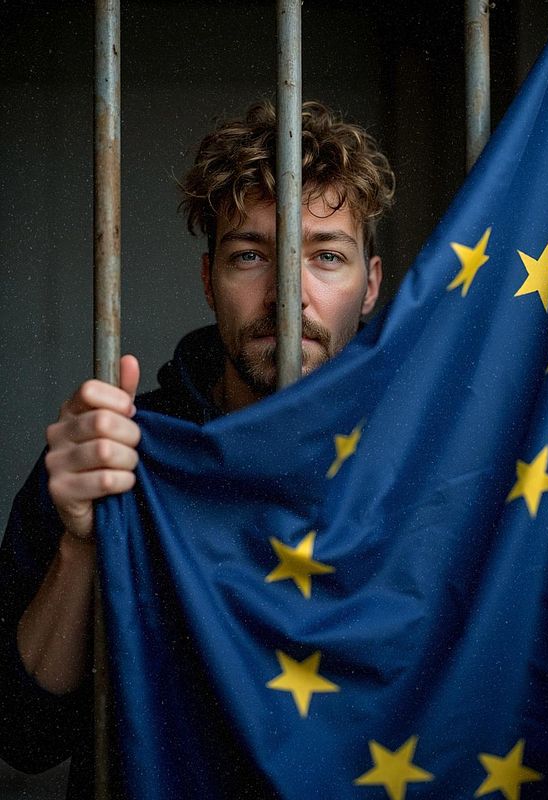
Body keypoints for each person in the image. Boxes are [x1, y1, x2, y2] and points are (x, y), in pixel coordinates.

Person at [0, 99, 395, 798]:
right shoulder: (121, 449)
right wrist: (82, 542)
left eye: (327, 256)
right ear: (209, 280)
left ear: (371, 286)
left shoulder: (418, 459)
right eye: (251, 255)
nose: (287, 296)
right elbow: (23, 737)